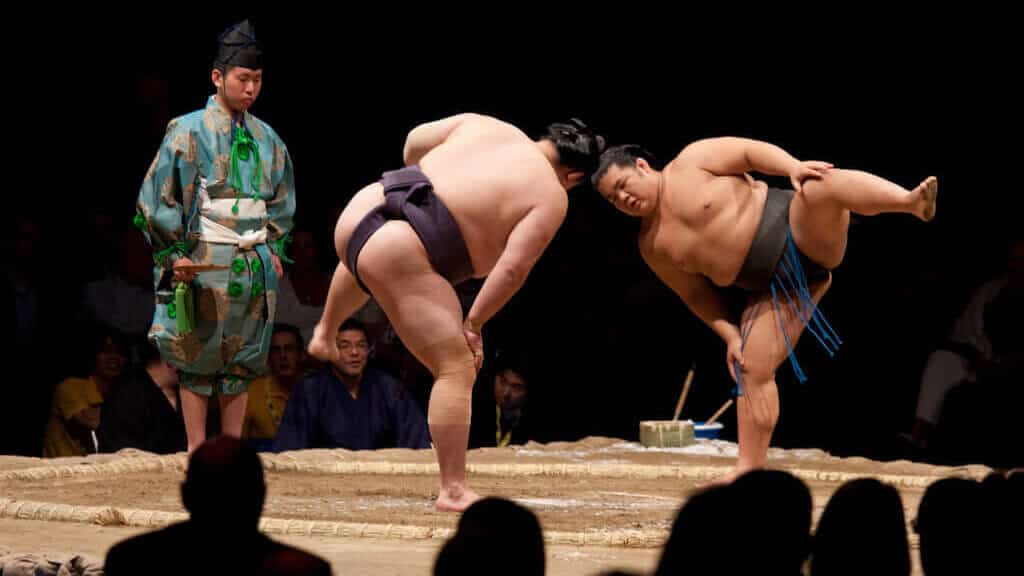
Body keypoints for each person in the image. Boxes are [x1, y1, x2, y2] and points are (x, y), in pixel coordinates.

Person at [307, 114, 605, 510]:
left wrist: (428, 179)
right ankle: (453, 490)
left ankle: (325, 332)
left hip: (362, 210)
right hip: (402, 249)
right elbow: (512, 270)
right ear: (574, 177)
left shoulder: (489, 125)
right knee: (458, 366)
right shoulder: (552, 195)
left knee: (365, 264)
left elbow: (413, 140)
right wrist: (474, 322)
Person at [592, 139, 937, 480]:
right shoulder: (652, 245)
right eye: (613, 198)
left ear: (641, 166)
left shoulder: (691, 161)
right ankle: (748, 470)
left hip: (799, 230)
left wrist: (792, 166)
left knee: (817, 185)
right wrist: (730, 336)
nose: (623, 199)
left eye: (622, 185)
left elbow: (749, 152)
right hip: (772, 290)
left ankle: (907, 202)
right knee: (752, 368)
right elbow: (695, 295)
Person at [134, 20, 296, 456]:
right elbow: (158, 196)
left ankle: (230, 451)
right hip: (202, 255)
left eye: (257, 81)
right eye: (243, 79)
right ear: (218, 77)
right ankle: (195, 449)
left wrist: (275, 246)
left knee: (242, 362)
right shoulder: (186, 131)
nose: (250, 89)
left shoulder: (269, 138)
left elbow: (282, 199)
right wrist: (173, 254)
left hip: (253, 258)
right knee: (197, 358)